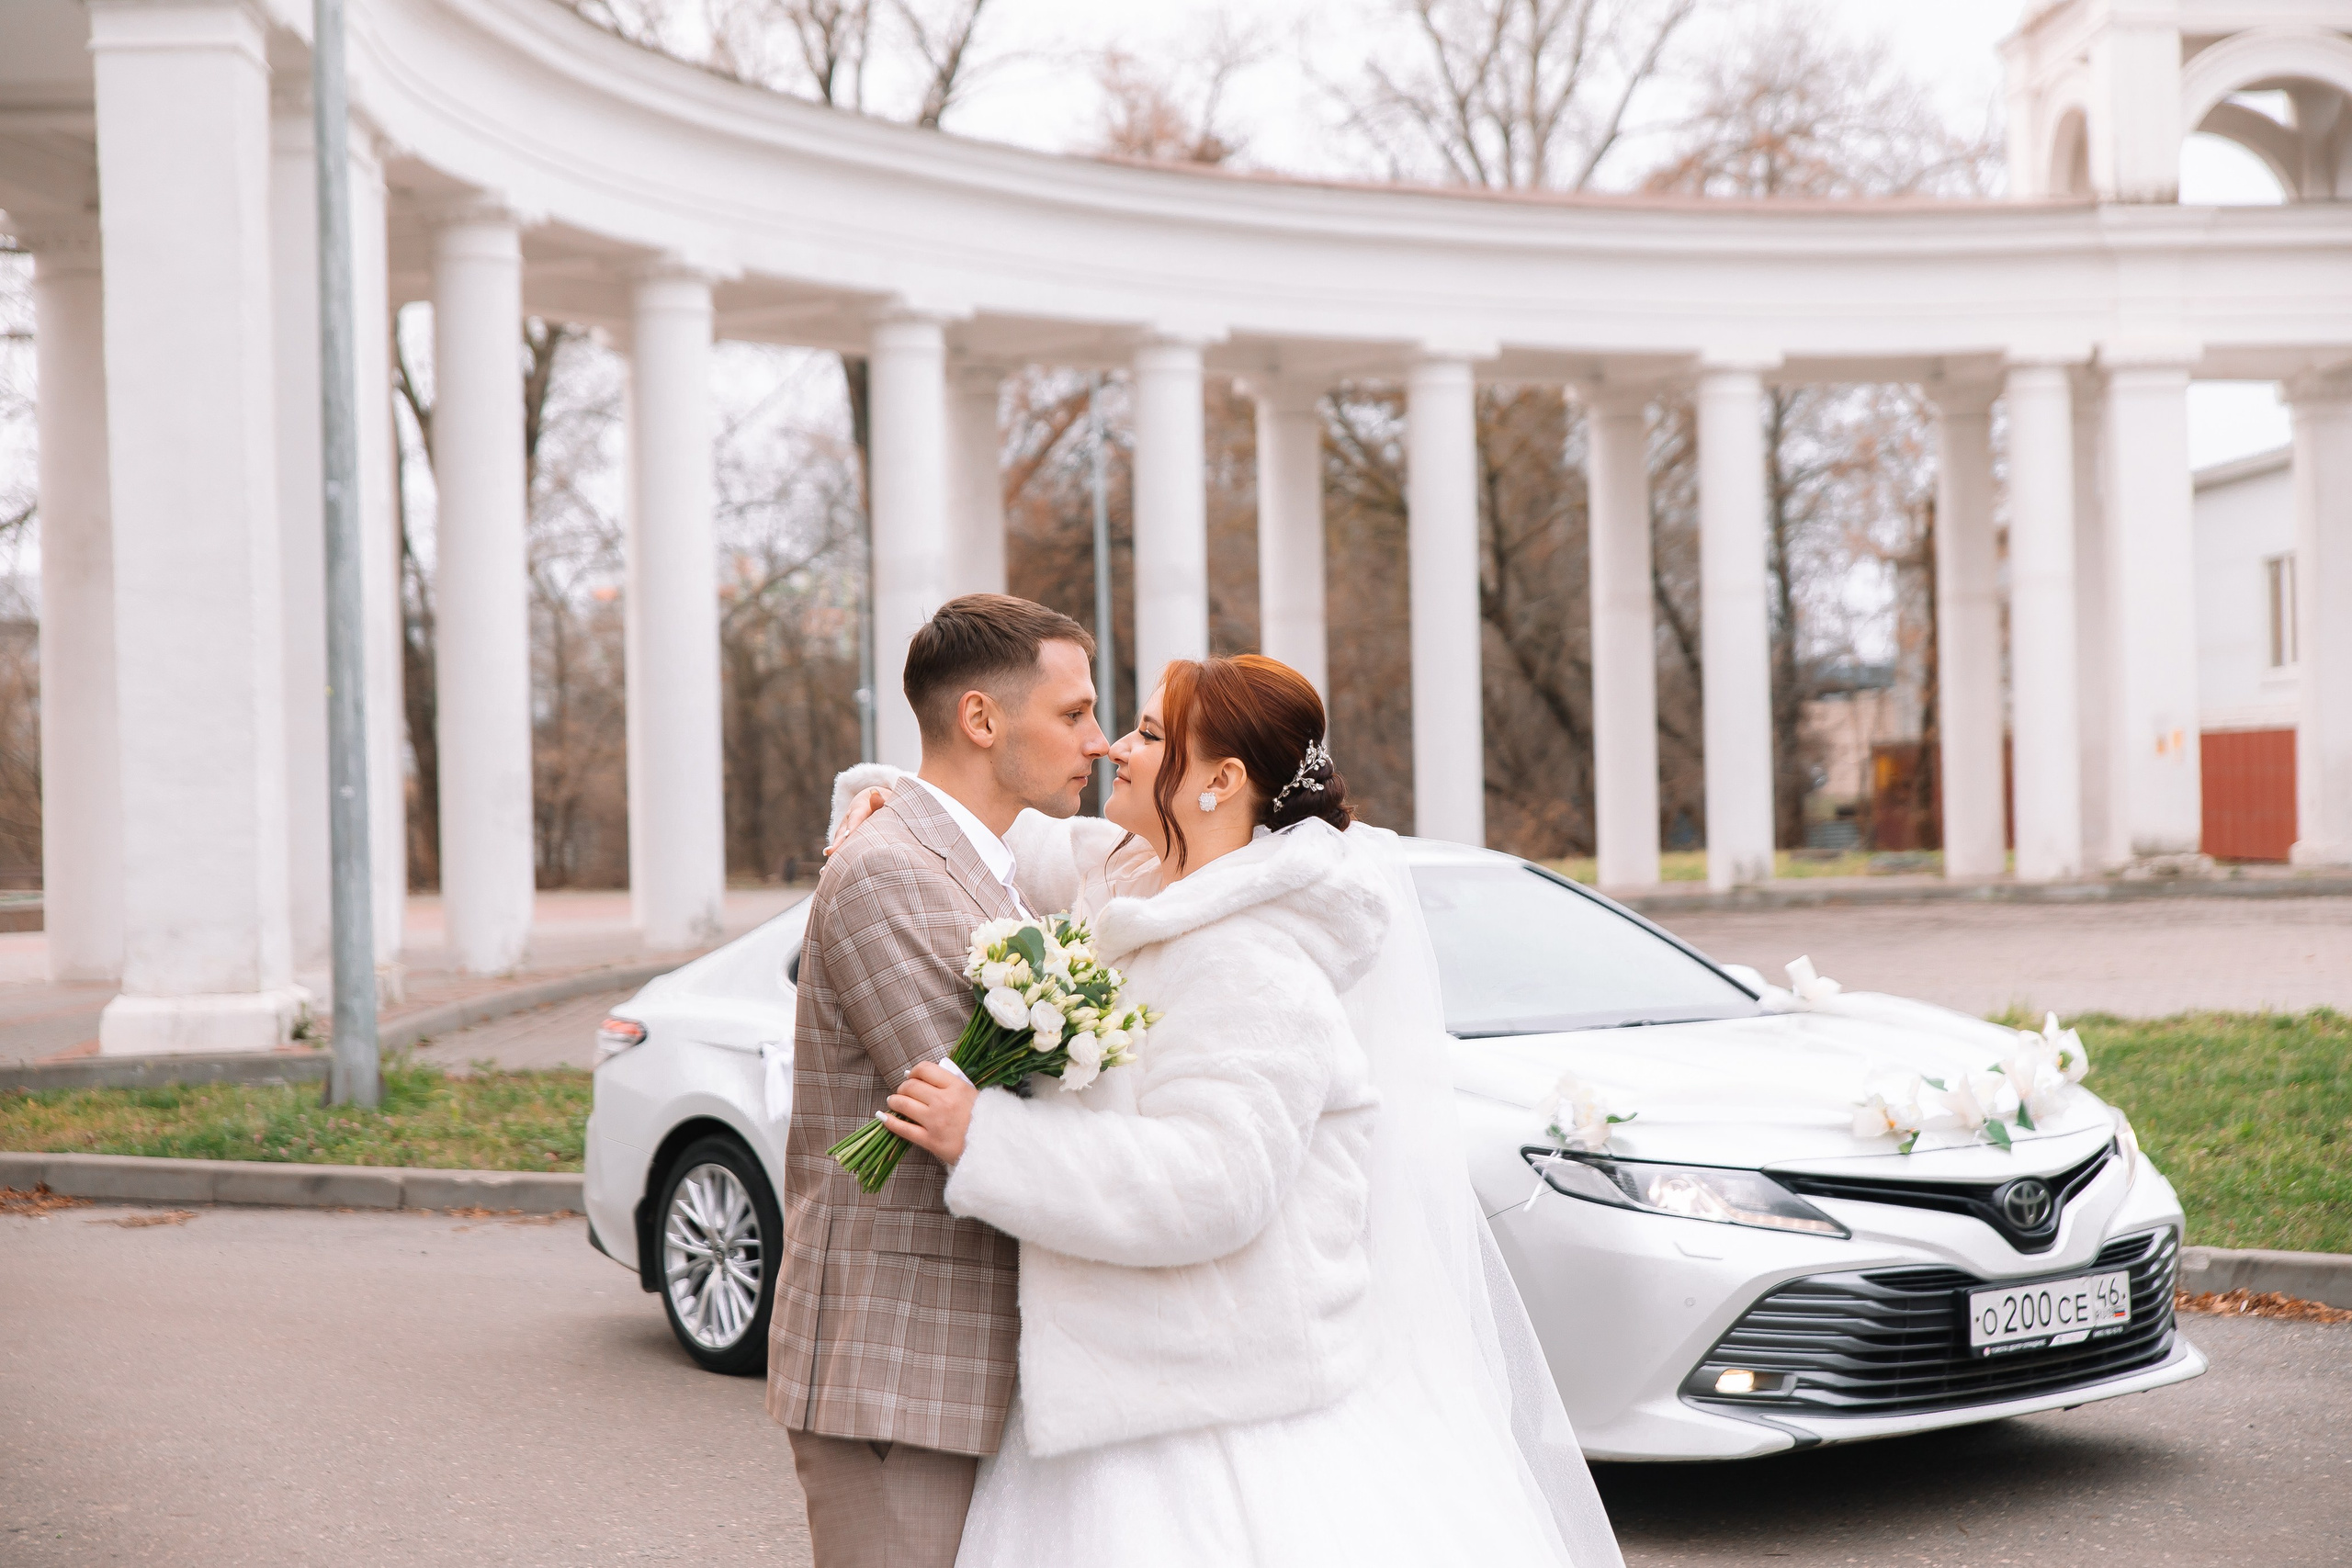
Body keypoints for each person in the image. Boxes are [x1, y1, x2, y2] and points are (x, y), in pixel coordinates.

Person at [853, 654, 1626, 1568]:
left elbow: (1213, 1183)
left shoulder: (1251, 959)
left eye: (1146, 736)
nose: (1110, 749)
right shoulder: (1144, 881)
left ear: (1220, 782)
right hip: (1128, 1377)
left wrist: (989, 1140)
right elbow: (1014, 840)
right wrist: (892, 803)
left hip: (1204, 1418)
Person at [766, 593, 1108, 1568]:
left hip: (960, 1371)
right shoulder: (888, 870)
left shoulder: (984, 870)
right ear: (981, 719)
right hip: (898, 1368)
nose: (1096, 739)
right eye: (1073, 712)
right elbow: (975, 1118)